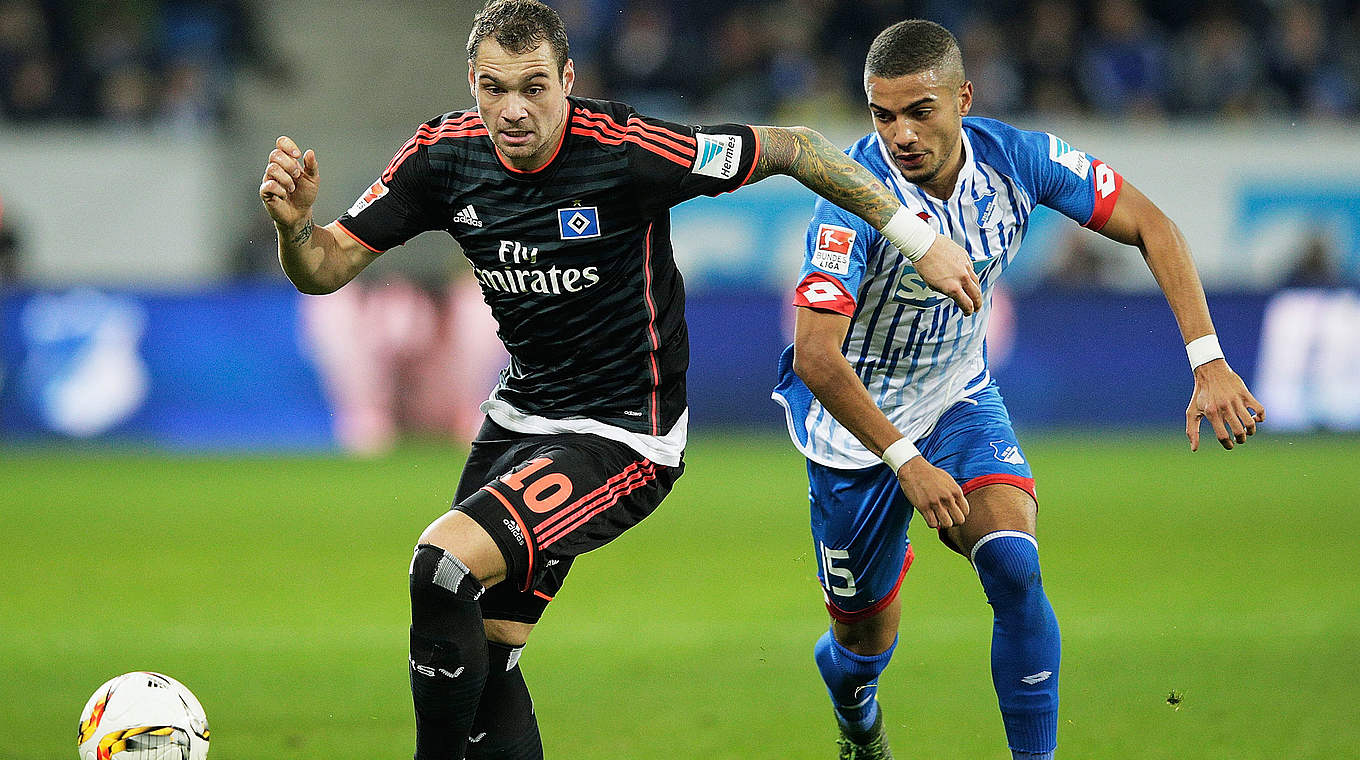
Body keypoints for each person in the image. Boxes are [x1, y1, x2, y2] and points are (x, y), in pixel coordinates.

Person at [258, 2, 982, 758]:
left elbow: (797, 148)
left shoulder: (627, 150)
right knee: (487, 650)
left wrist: (919, 238)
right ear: (471, 84)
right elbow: (327, 266)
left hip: (624, 432)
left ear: (568, 80)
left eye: (535, 87)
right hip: (520, 418)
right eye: (494, 88)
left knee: (441, 567)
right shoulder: (443, 156)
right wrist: (293, 229)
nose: (514, 110)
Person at [772, 19, 1266, 760]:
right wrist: (907, 461)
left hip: (957, 397)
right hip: (853, 434)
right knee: (860, 642)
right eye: (883, 114)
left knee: (1011, 560)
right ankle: (858, 713)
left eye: (920, 110)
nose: (900, 133)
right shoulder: (849, 198)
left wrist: (1208, 360)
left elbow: (1152, 225)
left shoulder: (1018, 158)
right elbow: (816, 357)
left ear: (963, 97)